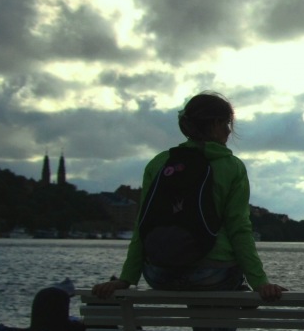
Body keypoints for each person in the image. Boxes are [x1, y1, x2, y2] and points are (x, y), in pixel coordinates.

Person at [93, 92, 287, 302]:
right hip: (212, 274)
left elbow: (143, 225)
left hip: (159, 274)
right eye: (226, 124)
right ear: (215, 124)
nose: (229, 131)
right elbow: (238, 228)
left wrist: (126, 279)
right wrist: (260, 283)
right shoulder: (232, 167)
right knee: (226, 284)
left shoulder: (159, 163)